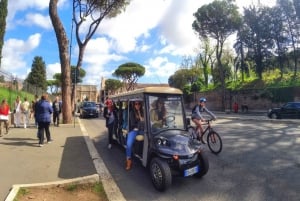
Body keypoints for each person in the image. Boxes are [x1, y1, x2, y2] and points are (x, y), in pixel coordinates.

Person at [125, 101, 144, 170]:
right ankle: (128, 160)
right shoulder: (131, 113)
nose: (137, 105)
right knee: (129, 144)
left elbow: (145, 122)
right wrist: (141, 121)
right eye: (136, 104)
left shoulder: (143, 112)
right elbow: (133, 124)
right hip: (133, 130)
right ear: (134, 105)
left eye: (139, 103)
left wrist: (142, 120)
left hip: (141, 129)